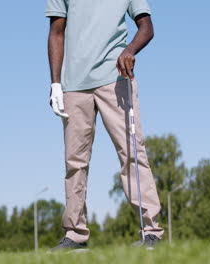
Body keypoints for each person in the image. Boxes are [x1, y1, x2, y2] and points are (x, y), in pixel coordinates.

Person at [45, 0, 164, 250]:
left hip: (116, 79)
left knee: (133, 153)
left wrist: (130, 50)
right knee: (74, 162)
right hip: (74, 86)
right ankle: (75, 234)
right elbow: (56, 32)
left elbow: (147, 27)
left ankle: (151, 231)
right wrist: (55, 83)